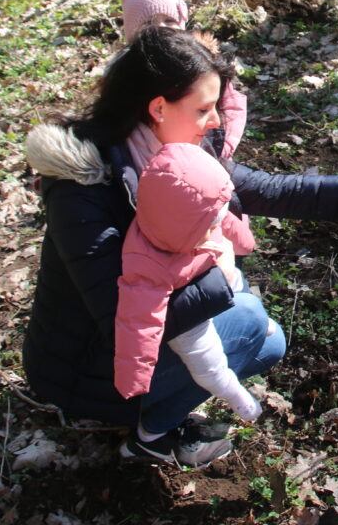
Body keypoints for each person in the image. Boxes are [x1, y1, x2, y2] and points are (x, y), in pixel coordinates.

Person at [23, 27, 338, 467]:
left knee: (269, 343)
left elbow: (268, 189)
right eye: (203, 109)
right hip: (87, 367)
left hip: (142, 339)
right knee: (248, 318)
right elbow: (119, 314)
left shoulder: (180, 150)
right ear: (158, 107)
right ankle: (148, 437)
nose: (215, 121)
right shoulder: (85, 189)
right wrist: (222, 279)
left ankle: (159, 417)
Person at [115, 141, 264, 454]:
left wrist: (241, 242)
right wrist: (135, 380)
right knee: (211, 368)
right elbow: (138, 324)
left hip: (202, 290)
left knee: (255, 319)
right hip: (188, 326)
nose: (214, 230)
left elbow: (222, 219)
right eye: (208, 226)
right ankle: (154, 434)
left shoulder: (185, 213)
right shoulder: (147, 267)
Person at [120, 0, 247, 160]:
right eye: (148, 22)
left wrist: (221, 147)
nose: (161, 28)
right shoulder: (125, 71)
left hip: (201, 148)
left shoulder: (200, 63)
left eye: (169, 20)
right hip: (146, 156)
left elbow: (230, 106)